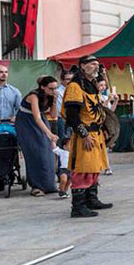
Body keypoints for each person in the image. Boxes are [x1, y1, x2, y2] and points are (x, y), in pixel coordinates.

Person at [62, 55, 112, 218]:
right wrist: (83, 135)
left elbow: (97, 110)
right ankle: (78, 207)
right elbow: (72, 115)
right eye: (92, 64)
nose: (96, 67)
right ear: (82, 66)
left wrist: (104, 128)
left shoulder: (91, 85)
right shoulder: (75, 87)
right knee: (83, 169)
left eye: (97, 64)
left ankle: (91, 199)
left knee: (94, 167)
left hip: (96, 133)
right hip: (86, 134)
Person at [15, 75, 59, 196]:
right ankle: (36, 186)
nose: (53, 91)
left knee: (47, 151)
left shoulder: (51, 96)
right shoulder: (33, 96)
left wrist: (54, 101)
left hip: (41, 121)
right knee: (34, 152)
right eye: (51, 88)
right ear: (42, 87)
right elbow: (37, 117)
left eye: (55, 88)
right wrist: (49, 133)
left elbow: (54, 115)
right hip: (26, 123)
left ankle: (49, 185)